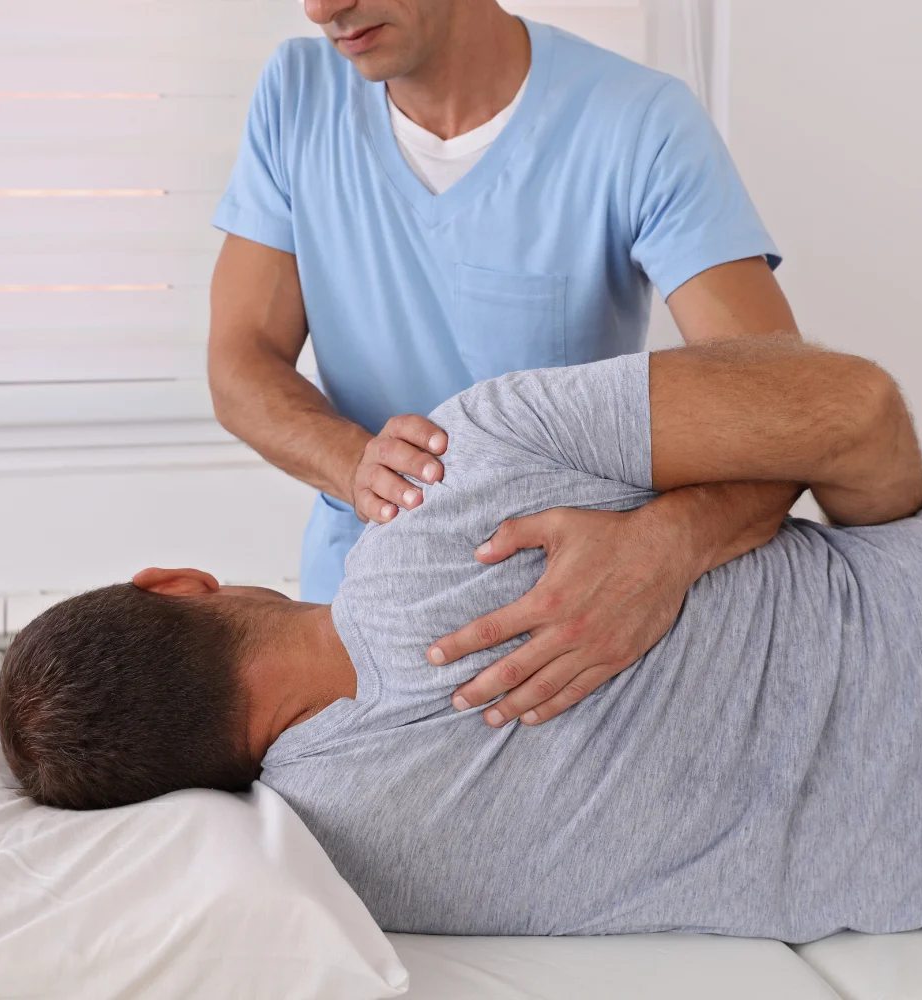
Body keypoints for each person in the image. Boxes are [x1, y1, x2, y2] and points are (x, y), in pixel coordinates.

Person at [1, 338, 922, 943]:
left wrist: (677, 542)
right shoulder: (456, 471)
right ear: (175, 584)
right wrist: (700, 540)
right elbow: (855, 412)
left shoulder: (350, 880)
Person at [208, 0, 802, 729]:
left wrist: (660, 549)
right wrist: (353, 463)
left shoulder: (637, 121)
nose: (321, 9)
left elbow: (785, 407)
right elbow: (240, 362)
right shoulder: (297, 94)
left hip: (563, 624)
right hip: (354, 617)